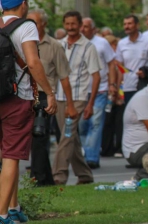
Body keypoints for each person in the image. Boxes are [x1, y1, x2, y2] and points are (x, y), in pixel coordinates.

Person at [0, 0, 57, 222]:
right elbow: (33, 63)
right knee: (12, 156)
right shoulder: (26, 26)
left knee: (5, 155)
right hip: (17, 98)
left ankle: (14, 207)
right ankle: (3, 214)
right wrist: (49, 92)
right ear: (23, 4)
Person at [27, 9, 78, 186]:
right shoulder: (23, 43)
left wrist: (70, 105)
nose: (30, 25)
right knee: (32, 139)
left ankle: (38, 179)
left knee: (39, 135)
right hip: (24, 94)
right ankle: (45, 177)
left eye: (34, 22)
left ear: (44, 24)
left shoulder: (55, 46)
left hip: (44, 96)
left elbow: (64, 77)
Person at [102, 14, 148, 161]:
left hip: (144, 86)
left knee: (146, 117)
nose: (126, 27)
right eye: (125, 24)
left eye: (129, 23)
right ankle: (128, 149)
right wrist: (116, 87)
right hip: (127, 87)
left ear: (136, 25)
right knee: (128, 118)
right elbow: (118, 67)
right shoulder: (122, 43)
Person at [52, 11, 102, 185]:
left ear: (80, 25)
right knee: (71, 137)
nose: (70, 28)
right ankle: (85, 175)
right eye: (67, 24)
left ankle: (58, 176)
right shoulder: (59, 44)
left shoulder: (89, 47)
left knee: (65, 137)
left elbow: (96, 76)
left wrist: (90, 104)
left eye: (74, 24)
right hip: (59, 96)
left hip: (78, 98)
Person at [79, 17, 116, 169]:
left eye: (86, 26)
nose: (83, 29)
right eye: (82, 26)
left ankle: (92, 158)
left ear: (93, 29)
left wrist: (113, 84)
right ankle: (85, 154)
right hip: (81, 91)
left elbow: (112, 63)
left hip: (100, 89)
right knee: (82, 125)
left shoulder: (102, 43)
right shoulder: (76, 43)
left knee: (95, 123)